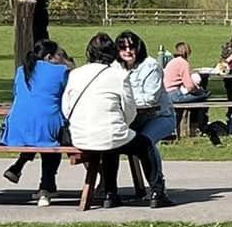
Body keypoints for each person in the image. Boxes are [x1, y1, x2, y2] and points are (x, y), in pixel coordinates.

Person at [63, 33, 157, 208]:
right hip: (109, 133)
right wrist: (123, 124)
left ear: (89, 52)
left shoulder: (75, 74)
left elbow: (66, 108)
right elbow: (130, 110)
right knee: (144, 145)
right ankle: (157, 191)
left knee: (111, 146)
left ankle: (110, 193)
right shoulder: (119, 75)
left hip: (80, 136)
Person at [0, 40, 72, 206]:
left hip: (16, 127)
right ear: (49, 57)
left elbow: (17, 93)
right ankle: (45, 187)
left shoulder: (22, 70)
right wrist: (69, 65)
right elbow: (68, 96)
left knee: (39, 133)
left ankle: (19, 167)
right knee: (51, 138)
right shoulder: (61, 71)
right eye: (60, 55)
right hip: (46, 126)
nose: (62, 58)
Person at [117, 31, 176, 207]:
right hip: (132, 118)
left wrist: (124, 101)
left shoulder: (151, 66)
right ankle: (107, 188)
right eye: (123, 47)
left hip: (159, 116)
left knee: (145, 142)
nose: (127, 51)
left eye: (131, 47)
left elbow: (150, 99)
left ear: (139, 47)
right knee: (107, 141)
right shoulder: (115, 67)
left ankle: (158, 189)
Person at [164, 42, 215, 145]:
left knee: (199, 97)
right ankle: (199, 126)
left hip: (166, 93)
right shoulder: (183, 63)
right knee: (205, 95)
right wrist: (198, 91)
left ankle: (192, 127)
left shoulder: (172, 62)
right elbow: (190, 86)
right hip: (175, 95)